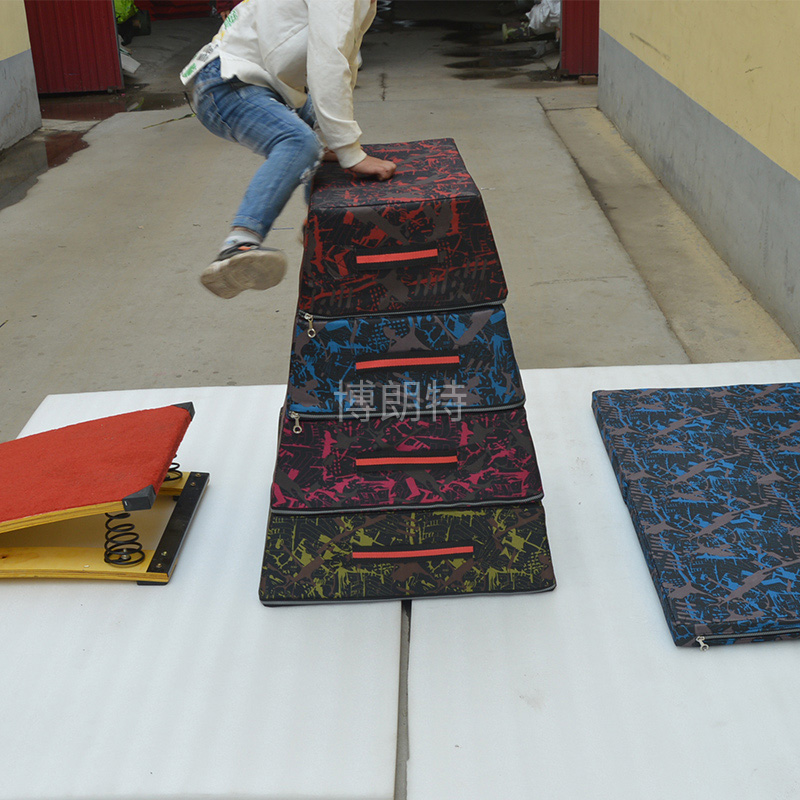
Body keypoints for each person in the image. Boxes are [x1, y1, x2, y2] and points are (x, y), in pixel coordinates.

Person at [181, 0, 396, 299]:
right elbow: (328, 63)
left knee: (327, 136)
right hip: (228, 81)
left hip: (268, 83)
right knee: (301, 142)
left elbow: (344, 61)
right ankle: (239, 244)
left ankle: (319, 224)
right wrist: (349, 152)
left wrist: (337, 141)